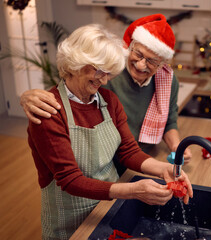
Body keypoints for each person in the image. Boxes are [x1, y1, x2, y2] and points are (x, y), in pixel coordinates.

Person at [27, 24, 193, 240]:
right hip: (71, 221)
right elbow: (70, 180)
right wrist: (134, 190)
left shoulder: (108, 100)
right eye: (98, 70)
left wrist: (164, 169)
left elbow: (129, 152)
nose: (104, 80)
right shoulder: (49, 110)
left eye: (108, 73)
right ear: (76, 63)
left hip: (109, 208)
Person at [20, 14, 192, 163]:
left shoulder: (167, 80)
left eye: (152, 61)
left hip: (140, 156)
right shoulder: (108, 71)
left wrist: (177, 146)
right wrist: (27, 96)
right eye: (138, 54)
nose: (140, 65)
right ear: (130, 46)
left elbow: (170, 120)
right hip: (107, 158)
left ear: (162, 64)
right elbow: (70, 89)